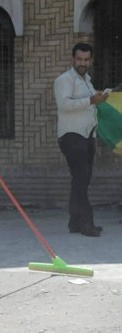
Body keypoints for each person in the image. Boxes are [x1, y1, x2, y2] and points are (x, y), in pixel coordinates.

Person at [54, 42, 108, 237]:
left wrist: (100, 97)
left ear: (90, 61)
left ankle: (75, 222)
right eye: (79, 59)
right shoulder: (65, 80)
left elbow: (91, 103)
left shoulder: (87, 80)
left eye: (86, 59)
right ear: (73, 59)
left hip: (87, 136)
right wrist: (91, 100)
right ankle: (86, 224)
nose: (82, 62)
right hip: (72, 136)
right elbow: (64, 104)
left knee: (80, 181)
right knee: (81, 179)